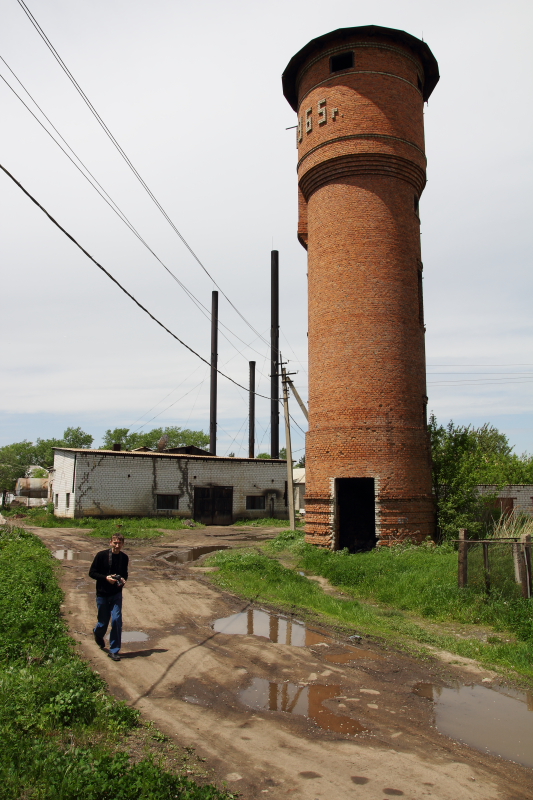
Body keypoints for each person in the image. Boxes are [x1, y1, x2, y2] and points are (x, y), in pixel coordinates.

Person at [89, 533, 129, 661]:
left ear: (123, 544)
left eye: (119, 543)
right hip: (102, 593)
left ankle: (114, 650)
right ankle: (98, 633)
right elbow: (92, 573)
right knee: (103, 622)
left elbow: (124, 574)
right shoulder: (101, 556)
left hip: (116, 594)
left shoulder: (124, 558)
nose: (117, 546)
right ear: (110, 542)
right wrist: (106, 578)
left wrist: (122, 580)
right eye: (115, 543)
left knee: (117, 621)